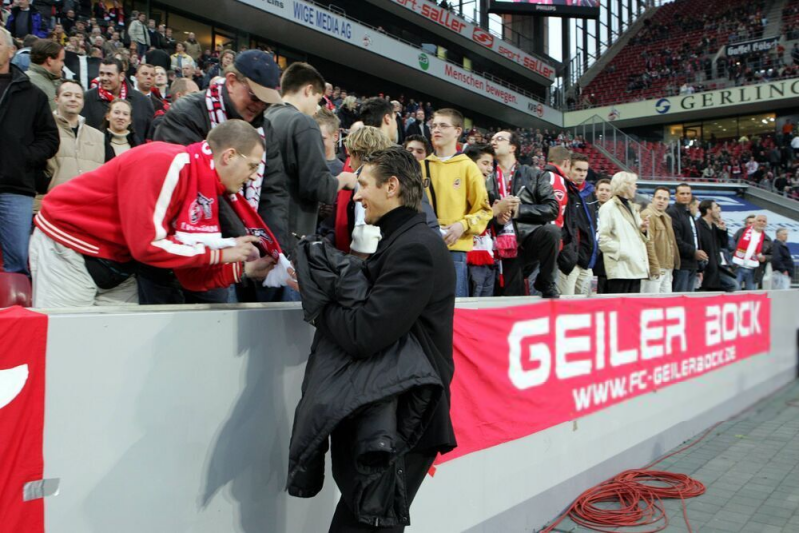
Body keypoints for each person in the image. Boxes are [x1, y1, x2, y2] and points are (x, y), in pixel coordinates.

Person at [315, 147, 457, 532]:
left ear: (391, 186)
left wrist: (319, 303)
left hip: (406, 420)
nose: (356, 196)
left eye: (363, 185)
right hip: (393, 416)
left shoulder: (415, 248)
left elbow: (365, 333)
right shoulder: (402, 241)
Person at [30, 120, 280, 308]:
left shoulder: (205, 184)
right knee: (68, 345)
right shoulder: (167, 162)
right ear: (229, 156)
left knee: (119, 346)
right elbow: (147, 246)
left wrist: (245, 269)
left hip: (118, 259)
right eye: (252, 166)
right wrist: (221, 252)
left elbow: (188, 274)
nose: (254, 176)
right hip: (69, 243)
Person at [152, 49, 288, 303]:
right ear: (233, 81)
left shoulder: (265, 128)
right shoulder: (187, 114)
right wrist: (244, 242)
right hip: (190, 249)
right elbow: (197, 189)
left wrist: (271, 247)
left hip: (239, 252)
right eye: (255, 96)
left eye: (266, 100)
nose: (260, 105)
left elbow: (274, 192)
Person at [264, 62, 357, 269]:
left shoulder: (267, 115)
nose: (317, 108)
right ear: (308, 90)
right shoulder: (303, 122)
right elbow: (318, 186)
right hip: (291, 232)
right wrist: (344, 180)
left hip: (265, 228)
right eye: (318, 99)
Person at [0, 27, 59, 275]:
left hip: (15, 188)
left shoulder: (33, 94)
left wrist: (23, 158)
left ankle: (16, 302)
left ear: (11, 51)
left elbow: (50, 138)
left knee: (18, 262)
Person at [421, 108, 492, 298]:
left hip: (454, 251)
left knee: (453, 309)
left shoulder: (468, 167)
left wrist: (463, 225)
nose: (437, 130)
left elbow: (484, 211)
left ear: (458, 131)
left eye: (443, 126)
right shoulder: (420, 167)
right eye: (434, 126)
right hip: (423, 248)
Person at [490, 130, 558, 297]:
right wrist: (497, 218)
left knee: (552, 232)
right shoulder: (485, 177)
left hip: (528, 238)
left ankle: (546, 281)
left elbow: (552, 208)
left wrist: (519, 211)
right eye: (491, 139)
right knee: (512, 296)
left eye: (499, 139)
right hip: (499, 243)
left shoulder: (534, 174)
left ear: (512, 147)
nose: (493, 142)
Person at [37, 80, 109, 210]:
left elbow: (109, 173)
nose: (73, 99)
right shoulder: (42, 130)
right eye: (67, 95)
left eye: (78, 96)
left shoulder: (98, 137)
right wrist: (47, 185)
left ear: (83, 102)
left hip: (89, 208)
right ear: (57, 99)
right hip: (52, 206)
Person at [81, 57, 154, 145]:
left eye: (109, 74)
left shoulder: (143, 102)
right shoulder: (87, 99)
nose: (104, 78)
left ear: (121, 76)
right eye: (101, 73)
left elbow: (149, 137)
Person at [597, 172, 649, 294]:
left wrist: (643, 229)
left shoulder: (631, 207)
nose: (636, 187)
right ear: (625, 185)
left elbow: (635, 235)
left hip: (634, 267)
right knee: (617, 304)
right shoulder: (608, 208)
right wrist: (623, 251)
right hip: (620, 268)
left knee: (632, 305)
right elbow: (603, 239)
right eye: (634, 184)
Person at [558, 153, 597, 296]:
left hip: (587, 260)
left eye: (585, 171)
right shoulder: (563, 190)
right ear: (569, 168)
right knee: (567, 302)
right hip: (569, 260)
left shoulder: (590, 192)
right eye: (578, 170)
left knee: (589, 301)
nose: (582, 174)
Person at [463, 144, 497, 297]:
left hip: (487, 259)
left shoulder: (489, 193)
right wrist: (494, 212)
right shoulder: (458, 191)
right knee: (470, 304)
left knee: (485, 305)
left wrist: (499, 220)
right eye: (485, 163)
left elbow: (488, 225)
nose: (490, 169)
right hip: (467, 258)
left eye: (491, 164)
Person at [667, 183, 706, 292]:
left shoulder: (688, 213)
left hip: (692, 263)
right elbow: (675, 240)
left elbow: (695, 238)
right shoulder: (672, 212)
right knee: (680, 296)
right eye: (682, 193)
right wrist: (693, 251)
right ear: (676, 195)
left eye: (688, 193)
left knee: (689, 297)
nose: (685, 196)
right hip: (681, 264)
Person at [640, 187, 679, 294]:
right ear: (653, 199)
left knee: (665, 301)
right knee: (650, 301)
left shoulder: (667, 217)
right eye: (659, 198)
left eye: (665, 199)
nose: (661, 201)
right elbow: (648, 242)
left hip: (667, 267)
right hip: (655, 267)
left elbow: (671, 243)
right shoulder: (647, 214)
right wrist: (653, 266)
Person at [696, 200, 736, 292]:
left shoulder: (714, 226)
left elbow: (724, 245)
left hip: (716, 267)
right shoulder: (698, 225)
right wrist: (700, 269)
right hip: (705, 269)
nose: (719, 210)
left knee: (733, 285)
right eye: (716, 207)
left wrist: (722, 230)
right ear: (708, 210)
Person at [147, 76, 199, 140]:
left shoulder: (196, 120)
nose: (197, 99)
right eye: (194, 94)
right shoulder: (161, 122)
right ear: (179, 96)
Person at [733, 214, 770, 290]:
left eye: (764, 221)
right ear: (755, 222)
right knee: (735, 291)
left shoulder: (767, 239)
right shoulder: (742, 232)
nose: (761, 223)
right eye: (759, 220)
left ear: (766, 224)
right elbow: (731, 245)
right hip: (738, 267)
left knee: (751, 293)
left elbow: (771, 255)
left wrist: (765, 257)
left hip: (754, 270)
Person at [26, 39, 64, 110]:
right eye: (61, 60)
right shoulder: (31, 83)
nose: (63, 64)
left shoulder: (48, 79)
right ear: (50, 60)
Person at [594, 178, 612, 293]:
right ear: (596, 192)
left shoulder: (615, 213)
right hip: (593, 260)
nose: (604, 193)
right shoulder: (589, 209)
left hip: (609, 260)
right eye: (601, 190)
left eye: (607, 190)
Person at [313, 107, 344, 177]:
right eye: (313, 138)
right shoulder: (304, 166)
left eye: (322, 138)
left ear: (335, 136)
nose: (317, 142)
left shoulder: (342, 171)